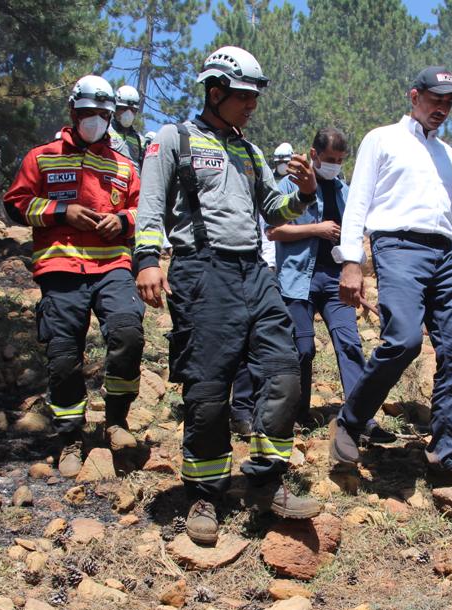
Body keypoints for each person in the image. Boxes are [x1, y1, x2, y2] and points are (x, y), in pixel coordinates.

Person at [134, 46, 322, 546]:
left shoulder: (249, 151)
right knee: (209, 390)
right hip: (202, 272)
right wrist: (148, 260)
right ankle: (206, 493)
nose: (252, 106)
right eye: (243, 97)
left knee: (288, 366)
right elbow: (150, 205)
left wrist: (303, 194)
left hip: (254, 273)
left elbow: (274, 211)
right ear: (215, 92)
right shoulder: (174, 139)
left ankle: (264, 481)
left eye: (255, 97)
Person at [329, 66, 452, 491]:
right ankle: (351, 420)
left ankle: (445, 454)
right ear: (413, 95)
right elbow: (358, 201)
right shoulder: (382, 138)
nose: (443, 108)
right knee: (403, 339)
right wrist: (351, 262)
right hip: (397, 247)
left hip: (446, 255)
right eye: (436, 99)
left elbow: (450, 215)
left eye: (449, 102)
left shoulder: (448, 153)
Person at [3, 75, 145, 475]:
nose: (95, 121)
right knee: (63, 355)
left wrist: (121, 221)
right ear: (73, 112)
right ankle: (69, 436)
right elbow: (15, 204)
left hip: (113, 266)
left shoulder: (123, 166)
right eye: (87, 113)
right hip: (60, 265)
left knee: (127, 332)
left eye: (103, 114)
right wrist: (60, 212)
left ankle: (116, 420)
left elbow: (142, 212)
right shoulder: (42, 157)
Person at [266, 127, 394, 441]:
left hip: (335, 279)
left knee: (350, 344)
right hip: (297, 278)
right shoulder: (287, 185)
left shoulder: (346, 192)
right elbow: (274, 232)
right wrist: (316, 228)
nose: (334, 164)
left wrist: (358, 273)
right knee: (303, 348)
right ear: (313, 155)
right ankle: (297, 413)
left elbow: (355, 236)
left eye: (339, 159)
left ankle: (361, 418)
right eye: (328, 159)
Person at [230, 142, 293, 436]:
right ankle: (240, 408)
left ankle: (259, 409)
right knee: (243, 341)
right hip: (248, 266)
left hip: (269, 269)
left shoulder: (277, 190)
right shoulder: (242, 187)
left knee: (265, 344)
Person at [110, 85, 147, 171]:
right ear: (115, 108)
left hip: (133, 182)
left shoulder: (140, 141)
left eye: (132, 110)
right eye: (124, 108)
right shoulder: (104, 131)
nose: (128, 113)